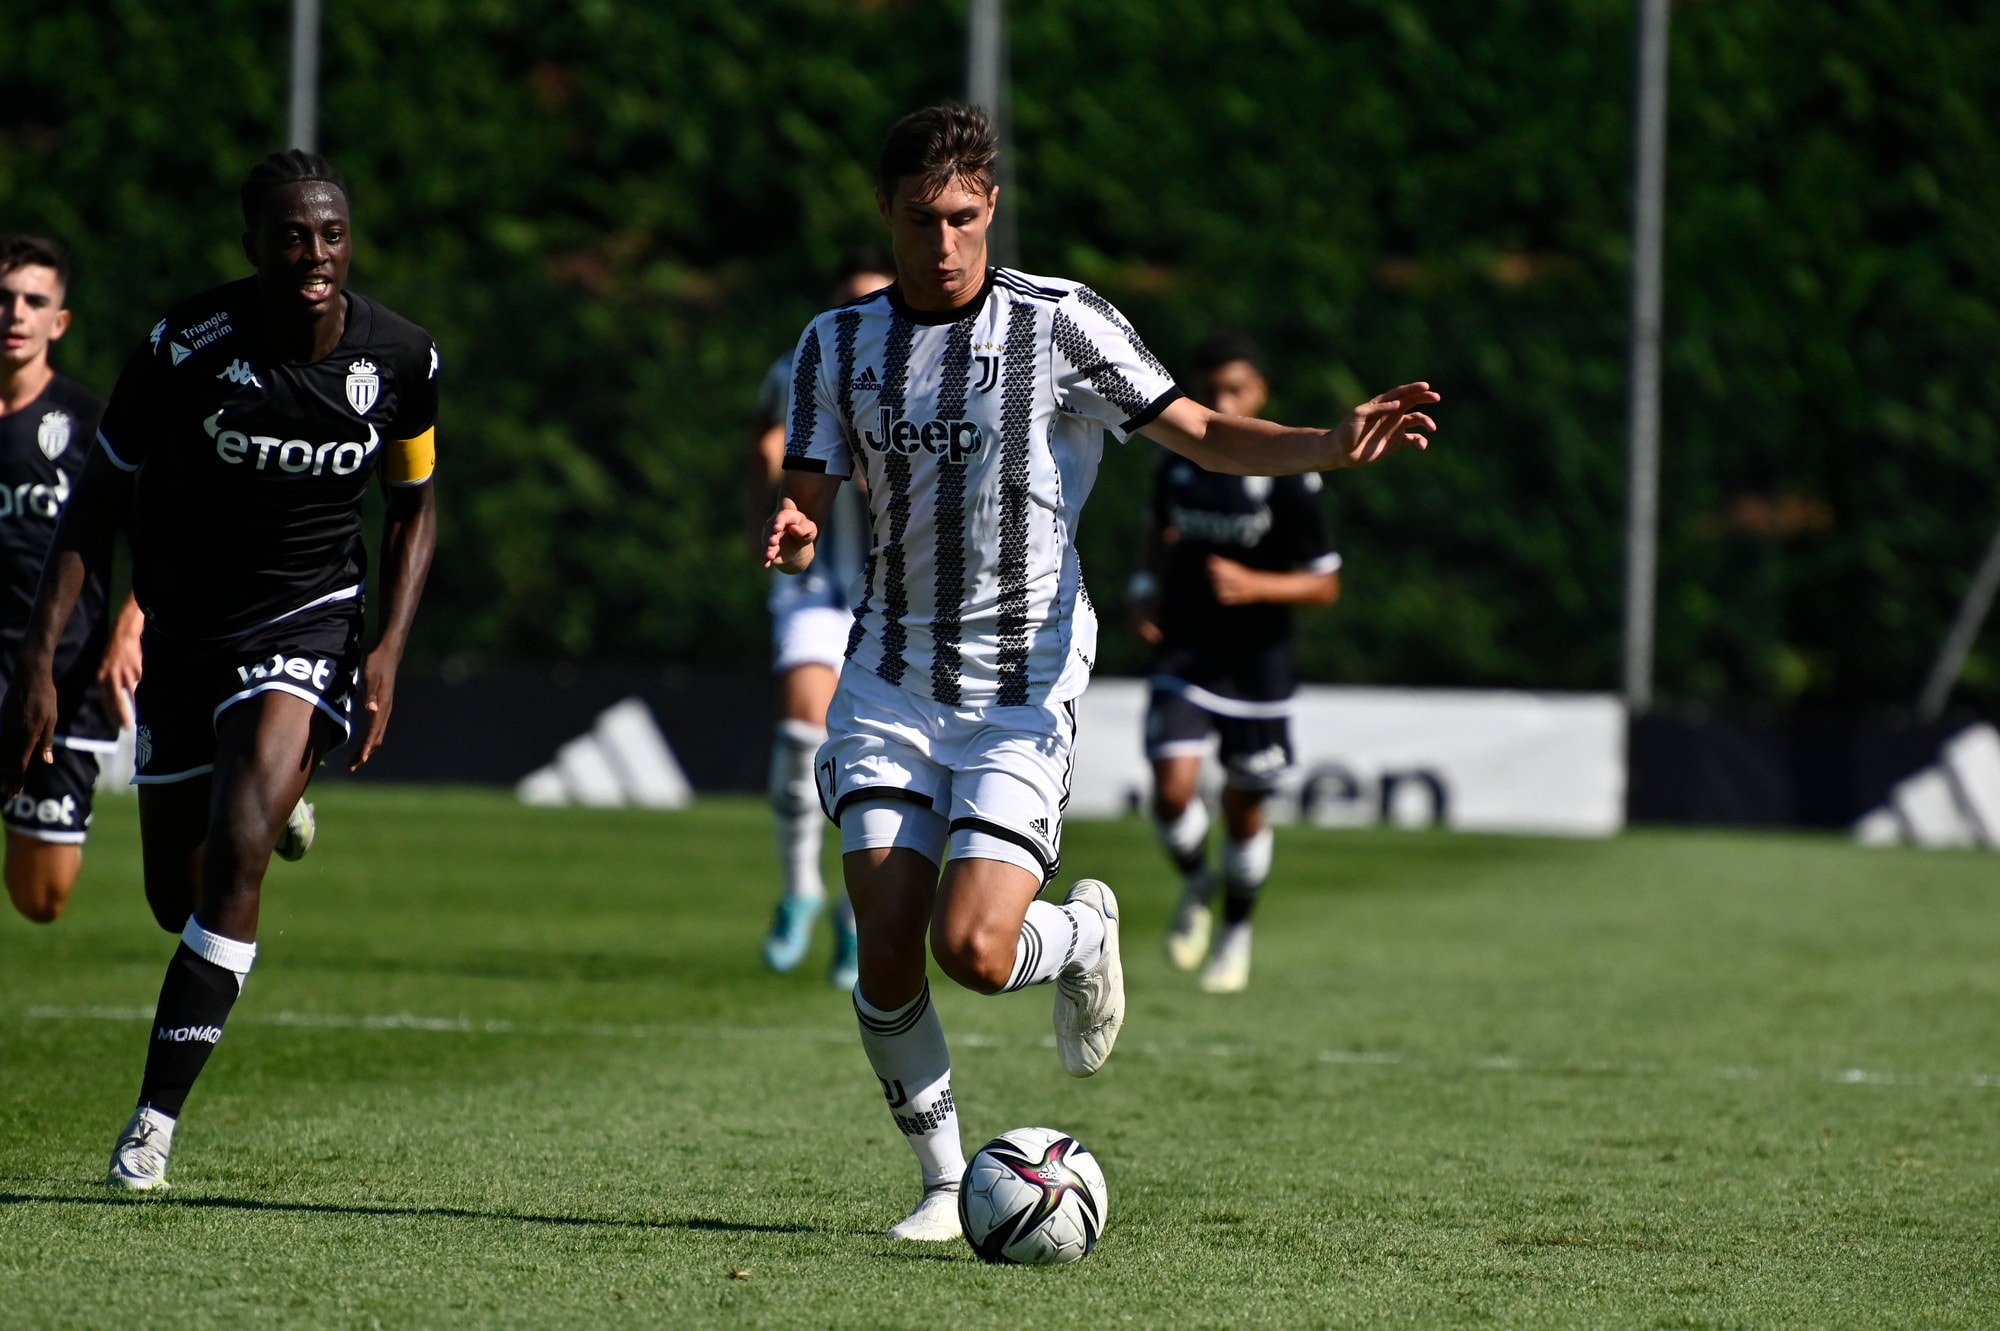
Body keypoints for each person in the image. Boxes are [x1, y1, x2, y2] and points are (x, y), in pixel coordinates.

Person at [764, 104, 1437, 1241]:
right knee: (884, 942)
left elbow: (1198, 432)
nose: (943, 243)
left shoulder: (1058, 321)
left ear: (991, 207)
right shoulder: (833, 344)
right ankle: (943, 1184)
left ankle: (1078, 935)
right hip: (886, 677)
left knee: (974, 951)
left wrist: (1324, 443)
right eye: (922, 220)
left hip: (1021, 683)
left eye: (963, 217)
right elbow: (809, 490)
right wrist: (794, 523)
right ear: (885, 212)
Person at [0, 150, 441, 1191]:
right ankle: (270, 791)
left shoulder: (401, 357)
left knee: (240, 851)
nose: (316, 253)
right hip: (188, 632)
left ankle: (152, 1122)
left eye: (332, 233)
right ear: (253, 246)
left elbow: (414, 506)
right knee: (179, 895)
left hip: (309, 619)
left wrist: (387, 647)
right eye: (293, 235)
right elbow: (96, 504)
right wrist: (41, 661)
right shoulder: (185, 346)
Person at [1130, 332, 1341, 993]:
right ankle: (1199, 880)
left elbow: (1326, 584)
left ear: (1260, 393)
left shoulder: (1291, 480)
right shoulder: (1179, 461)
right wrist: (1144, 586)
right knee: (1172, 791)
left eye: (1236, 389)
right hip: (1188, 649)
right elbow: (1158, 527)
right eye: (1210, 390)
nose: (1223, 402)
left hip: (1259, 667)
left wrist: (1257, 585)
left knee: (1245, 809)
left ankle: (1236, 933)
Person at [746, 248, 895, 989]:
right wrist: (770, 507)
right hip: (817, 585)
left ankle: (852, 915)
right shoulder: (800, 365)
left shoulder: (933, 371)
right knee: (802, 726)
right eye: (851, 302)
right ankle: (801, 888)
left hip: (901, 599)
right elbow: (767, 442)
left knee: (878, 760)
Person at [0, 234, 141, 923]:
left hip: (63, 677)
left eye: (34, 301)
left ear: (58, 322)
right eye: (4, 298)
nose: (15, 314)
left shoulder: (88, 424)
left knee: (40, 898)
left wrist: (128, 628)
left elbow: (162, 537)